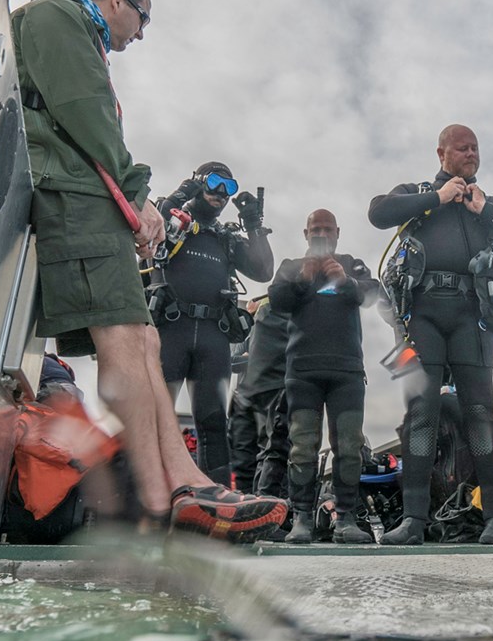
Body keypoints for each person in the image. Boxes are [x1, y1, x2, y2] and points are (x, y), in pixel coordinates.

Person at [11, 0, 285, 540]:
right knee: (126, 341)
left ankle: (185, 485)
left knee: (140, 338)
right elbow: (84, 111)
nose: (141, 32)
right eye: (143, 17)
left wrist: (251, 223)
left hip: (92, 201)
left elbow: (260, 269)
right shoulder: (56, 15)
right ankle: (162, 502)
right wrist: (142, 194)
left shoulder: (76, 34)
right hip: (76, 197)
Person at [367, 124, 493, 544]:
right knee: (421, 414)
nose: (471, 153)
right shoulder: (419, 194)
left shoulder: (488, 204)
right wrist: (438, 197)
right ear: (441, 153)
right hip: (421, 318)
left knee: (480, 414)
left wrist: (487, 211)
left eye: (475, 148)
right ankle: (413, 520)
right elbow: (377, 212)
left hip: (473, 318)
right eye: (462, 148)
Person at [152, 161, 273, 485]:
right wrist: (183, 193)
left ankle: (214, 500)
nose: (221, 193)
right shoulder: (171, 219)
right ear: (199, 183)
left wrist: (252, 224)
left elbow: (263, 271)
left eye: (229, 188)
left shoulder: (226, 239)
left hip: (213, 337)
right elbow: (148, 222)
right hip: (169, 329)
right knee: (153, 416)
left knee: (213, 422)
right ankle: (143, 503)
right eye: (215, 183)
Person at [268, 210, 379, 544]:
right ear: (305, 234)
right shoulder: (290, 266)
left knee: (348, 446)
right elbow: (276, 301)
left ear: (337, 233)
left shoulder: (351, 263)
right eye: (315, 230)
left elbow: (371, 293)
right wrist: (303, 279)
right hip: (302, 372)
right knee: (301, 447)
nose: (321, 234)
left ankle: (346, 519)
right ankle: (301, 519)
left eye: (326, 229)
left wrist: (346, 281)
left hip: (346, 371)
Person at [228, 297, 292, 495]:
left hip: (272, 400)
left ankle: (269, 503)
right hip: (247, 400)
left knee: (273, 451)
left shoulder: (283, 331)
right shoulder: (247, 335)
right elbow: (232, 362)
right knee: (245, 458)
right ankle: (245, 507)